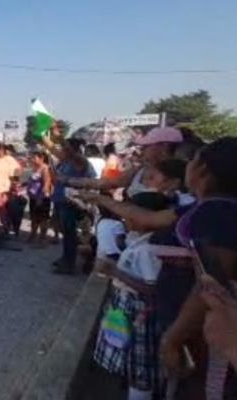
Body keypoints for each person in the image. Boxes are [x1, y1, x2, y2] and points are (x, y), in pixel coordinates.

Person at [78, 138, 237, 398]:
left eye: (194, 159)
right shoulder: (203, 207)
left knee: (204, 386)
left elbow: (210, 286)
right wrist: (98, 199)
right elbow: (146, 217)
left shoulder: (219, 212)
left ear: (203, 170)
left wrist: (172, 338)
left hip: (209, 329)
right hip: (188, 323)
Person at [93, 192, 175, 400]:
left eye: (130, 214)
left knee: (140, 369)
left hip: (139, 312)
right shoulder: (142, 240)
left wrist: (114, 271)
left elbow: (153, 289)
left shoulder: (148, 250)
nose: (125, 218)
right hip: (129, 307)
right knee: (130, 360)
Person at [66, 127, 183, 200]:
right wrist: (67, 180)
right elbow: (105, 183)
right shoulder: (138, 171)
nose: (142, 149)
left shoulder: (181, 175)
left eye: (147, 146)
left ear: (163, 147)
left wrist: (101, 200)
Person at [42, 124, 96, 274]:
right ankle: (66, 258)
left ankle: (70, 264)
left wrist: (60, 137)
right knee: (67, 234)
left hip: (73, 204)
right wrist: (41, 134)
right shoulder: (65, 161)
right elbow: (51, 147)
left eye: (65, 149)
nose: (61, 151)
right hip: (62, 201)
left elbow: (69, 152)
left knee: (72, 235)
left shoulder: (80, 162)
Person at [26, 151, 54, 245]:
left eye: (34, 158)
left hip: (42, 197)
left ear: (41, 158)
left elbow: (47, 183)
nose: (32, 160)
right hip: (33, 197)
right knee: (34, 217)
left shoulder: (45, 168)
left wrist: (41, 197)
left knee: (43, 218)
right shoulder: (35, 168)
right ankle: (33, 235)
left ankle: (43, 238)